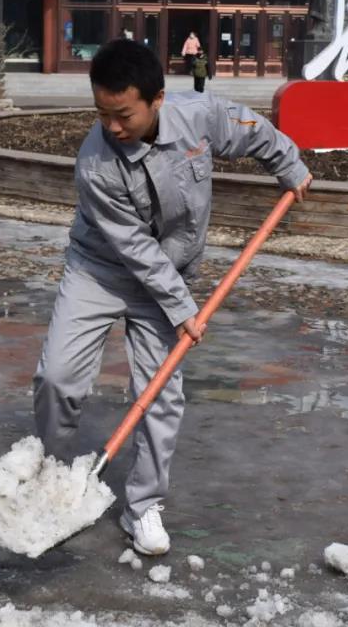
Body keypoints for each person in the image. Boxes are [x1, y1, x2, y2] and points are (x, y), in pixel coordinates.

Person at [32, 39, 312, 556]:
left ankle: (143, 506)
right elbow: (136, 249)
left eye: (123, 115)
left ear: (157, 99)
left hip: (169, 274)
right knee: (57, 378)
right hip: (100, 271)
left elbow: (251, 129)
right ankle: (53, 478)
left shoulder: (197, 116)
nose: (112, 127)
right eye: (101, 114)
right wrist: (184, 309)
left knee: (161, 394)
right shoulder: (96, 163)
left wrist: (288, 165)